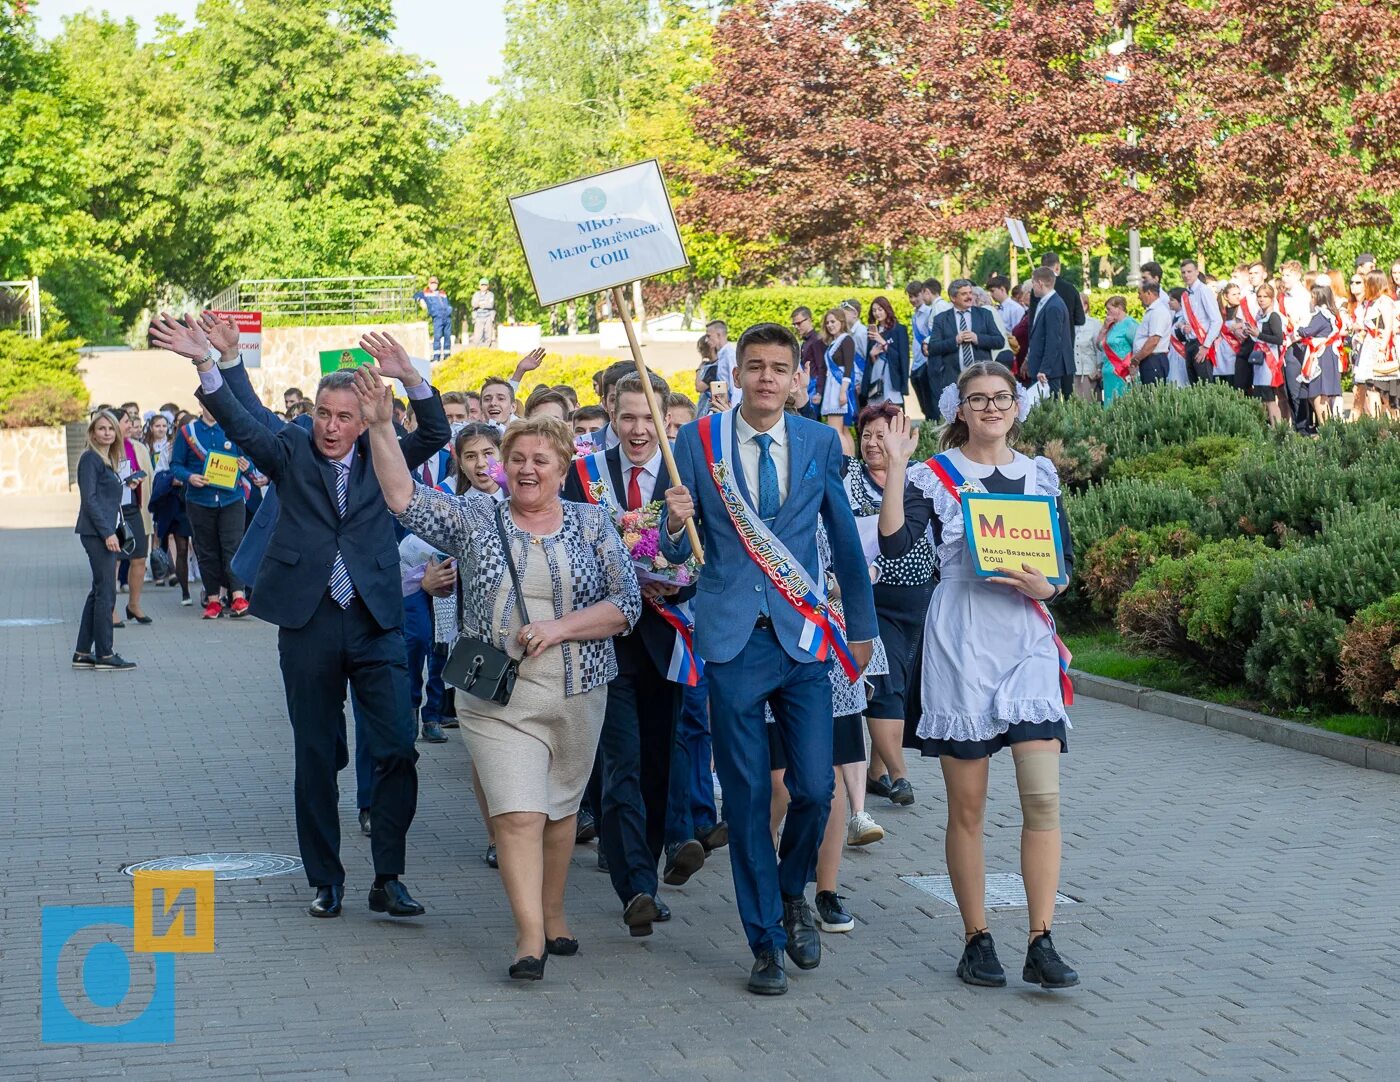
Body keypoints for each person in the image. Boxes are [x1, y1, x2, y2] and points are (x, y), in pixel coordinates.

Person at [154, 315, 444, 923]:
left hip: (375, 620)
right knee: (318, 753)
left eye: (344, 418)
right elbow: (241, 419)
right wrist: (207, 363)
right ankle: (325, 879)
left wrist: (410, 376)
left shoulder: (386, 452)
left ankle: (389, 877)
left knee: (396, 749)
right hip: (308, 621)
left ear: (364, 420)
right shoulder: (289, 450)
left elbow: (437, 429)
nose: (331, 428)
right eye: (323, 414)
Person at [370, 395, 640, 979]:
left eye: (540, 459)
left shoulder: (593, 523)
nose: (525, 468)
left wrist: (559, 628)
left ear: (563, 468)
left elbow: (628, 603)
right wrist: (380, 425)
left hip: (578, 689)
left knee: (562, 809)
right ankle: (528, 937)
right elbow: (402, 498)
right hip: (495, 694)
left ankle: (554, 908)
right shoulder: (474, 519)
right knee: (519, 814)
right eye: (516, 458)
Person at [660, 322, 877, 996]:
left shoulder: (819, 441)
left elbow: (842, 534)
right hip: (729, 640)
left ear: (796, 379)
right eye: (754, 366)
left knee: (814, 788)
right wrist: (672, 522)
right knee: (751, 796)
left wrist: (862, 626)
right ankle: (764, 942)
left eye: (778, 368)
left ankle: (792, 893)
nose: (765, 378)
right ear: (737, 373)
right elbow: (674, 554)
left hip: (802, 638)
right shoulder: (698, 442)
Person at [878, 363, 1079, 992]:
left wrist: (1052, 586)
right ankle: (976, 936)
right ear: (959, 409)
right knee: (968, 805)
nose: (990, 408)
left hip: (1026, 637)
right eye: (977, 399)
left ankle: (1041, 938)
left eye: (1001, 398)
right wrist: (890, 473)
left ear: (1016, 406)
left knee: (1042, 796)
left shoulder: (1040, 473)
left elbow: (1063, 562)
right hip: (962, 636)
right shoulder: (932, 476)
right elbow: (894, 547)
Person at [563, 372, 701, 935]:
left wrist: (676, 576)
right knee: (620, 760)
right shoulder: (583, 475)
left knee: (657, 761)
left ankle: (647, 859)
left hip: (667, 637)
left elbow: (704, 554)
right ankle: (636, 887)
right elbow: (566, 549)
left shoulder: (683, 474)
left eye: (650, 418)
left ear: (667, 418)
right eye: (628, 418)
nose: (639, 429)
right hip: (607, 640)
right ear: (610, 416)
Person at [846, 404, 935, 815]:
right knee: (884, 681)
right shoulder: (848, 481)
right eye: (867, 435)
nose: (873, 443)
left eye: (882, 434)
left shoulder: (922, 483)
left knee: (900, 678)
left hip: (919, 600)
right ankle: (900, 775)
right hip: (870, 599)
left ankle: (878, 768)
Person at [170, 399, 250, 619]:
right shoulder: (188, 432)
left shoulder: (232, 429)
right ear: (200, 405)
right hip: (200, 500)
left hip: (231, 498)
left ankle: (238, 596)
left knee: (232, 546)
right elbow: (175, 466)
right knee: (206, 550)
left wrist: (247, 466)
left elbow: (249, 458)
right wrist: (189, 477)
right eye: (207, 403)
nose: (212, 407)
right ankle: (213, 599)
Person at [73, 411, 137, 671]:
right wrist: (107, 533)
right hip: (97, 533)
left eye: (111, 429)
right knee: (106, 592)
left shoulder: (106, 460)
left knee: (98, 591)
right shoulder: (90, 459)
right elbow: (89, 500)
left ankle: (82, 652)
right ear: (92, 433)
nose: (107, 433)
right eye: (101, 429)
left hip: (102, 532)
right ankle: (105, 654)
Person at [928, 280, 1002, 401]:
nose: (969, 297)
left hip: (981, 376)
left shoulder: (985, 314)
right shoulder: (941, 319)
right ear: (953, 297)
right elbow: (933, 347)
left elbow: (999, 341)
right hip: (953, 378)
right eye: (964, 294)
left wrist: (977, 338)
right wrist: (955, 340)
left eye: (970, 293)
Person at [115, 411, 155, 625]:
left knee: (139, 556)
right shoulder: (103, 448)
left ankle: (134, 605)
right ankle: (110, 609)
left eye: (131, 422)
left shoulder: (138, 447)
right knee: (113, 560)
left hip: (134, 507)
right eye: (125, 422)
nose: (130, 425)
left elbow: (149, 475)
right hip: (112, 510)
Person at [1295, 282, 1344, 427]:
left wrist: (1297, 326)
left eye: (1313, 296)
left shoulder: (1322, 315)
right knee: (1317, 396)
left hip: (1321, 355)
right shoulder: (1330, 313)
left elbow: (1308, 331)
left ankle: (1327, 430)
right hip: (1325, 354)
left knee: (1319, 395)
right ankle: (1328, 428)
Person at [1024, 268, 1074, 399]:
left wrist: (1045, 369)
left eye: (1033, 283)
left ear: (1040, 283)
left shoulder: (1054, 306)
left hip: (1048, 371)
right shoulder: (1047, 302)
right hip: (1043, 367)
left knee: (1049, 409)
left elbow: (1054, 341)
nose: (1032, 288)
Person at [1245, 282, 1287, 426]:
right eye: (1259, 296)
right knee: (1260, 398)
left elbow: (1279, 339)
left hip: (1269, 362)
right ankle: (1264, 427)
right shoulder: (1259, 316)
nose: (1261, 299)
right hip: (1260, 361)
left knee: (1269, 399)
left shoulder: (1273, 316)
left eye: (1265, 296)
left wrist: (1259, 334)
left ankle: (1278, 429)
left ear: (1272, 299)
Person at [1356, 270, 1396, 421]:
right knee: (1371, 387)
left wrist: (1382, 349)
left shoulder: (1384, 301)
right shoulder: (1371, 302)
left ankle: (1385, 424)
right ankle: (1377, 423)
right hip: (1369, 346)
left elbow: (1388, 327)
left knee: (1381, 389)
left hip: (1379, 347)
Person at [816, 308, 856, 456]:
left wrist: (842, 392)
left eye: (833, 321)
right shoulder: (834, 343)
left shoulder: (846, 339)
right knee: (843, 430)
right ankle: (852, 464)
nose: (830, 325)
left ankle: (847, 466)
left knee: (836, 430)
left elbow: (848, 368)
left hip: (839, 388)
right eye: (827, 323)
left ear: (841, 321)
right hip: (833, 388)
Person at [1179, 260, 1222, 384]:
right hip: (1190, 343)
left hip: (1201, 342)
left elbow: (1217, 320)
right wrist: (1182, 327)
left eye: (1189, 271)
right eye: (1183, 272)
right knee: (1194, 385)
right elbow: (1183, 319)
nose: (1186, 275)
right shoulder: (1184, 295)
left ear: (1197, 272)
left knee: (1205, 385)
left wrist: (1206, 346)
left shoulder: (1204, 290)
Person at [861, 296, 909, 409]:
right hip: (876, 376)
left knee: (893, 411)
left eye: (880, 309)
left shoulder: (899, 329)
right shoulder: (873, 331)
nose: (877, 313)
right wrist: (872, 355)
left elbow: (902, 357)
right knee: (875, 411)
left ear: (887, 309)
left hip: (892, 377)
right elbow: (870, 361)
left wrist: (883, 343)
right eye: (874, 310)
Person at [1027, 252, 1086, 331]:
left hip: (1044, 337)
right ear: (1057, 267)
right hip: (1066, 338)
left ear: (1042, 267)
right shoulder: (1071, 289)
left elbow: (1033, 320)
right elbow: (1080, 320)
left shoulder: (1037, 289)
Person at [1097, 296, 1138, 405]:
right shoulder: (1110, 326)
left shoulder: (1130, 324)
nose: (1107, 313)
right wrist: (1104, 328)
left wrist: (1133, 368)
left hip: (1122, 373)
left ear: (1119, 308)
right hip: (1108, 374)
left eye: (1109, 309)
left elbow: (1137, 347)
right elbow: (1099, 345)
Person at [1132, 283, 1172, 385]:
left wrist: (1137, 358)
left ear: (1149, 293)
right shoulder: (1153, 311)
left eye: (1140, 293)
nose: (1138, 297)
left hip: (1154, 359)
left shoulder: (1158, 311)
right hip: (1149, 359)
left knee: (1152, 395)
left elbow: (1154, 340)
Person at [414, 275, 454, 362]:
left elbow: (448, 303)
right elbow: (416, 295)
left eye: (435, 283)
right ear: (429, 284)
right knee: (437, 336)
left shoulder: (442, 293)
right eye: (432, 283)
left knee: (447, 336)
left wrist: (450, 309)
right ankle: (437, 356)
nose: (433, 285)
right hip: (437, 317)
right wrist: (421, 301)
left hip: (447, 316)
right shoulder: (426, 292)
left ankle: (447, 354)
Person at [1073, 292, 1103, 402]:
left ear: (1085, 306)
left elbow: (1099, 349)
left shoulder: (1094, 324)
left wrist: (1098, 369)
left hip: (1089, 374)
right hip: (1072, 374)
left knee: (1088, 406)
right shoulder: (1068, 324)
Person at [708, 320, 739, 405]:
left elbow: (736, 387)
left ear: (719, 335)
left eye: (709, 336)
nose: (707, 340)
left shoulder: (730, 355)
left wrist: (732, 411)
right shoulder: (721, 354)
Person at [470, 277, 496, 347]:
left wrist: (480, 304)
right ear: (479, 286)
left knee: (488, 336)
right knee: (477, 337)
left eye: (485, 285)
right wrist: (481, 304)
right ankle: (478, 351)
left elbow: (490, 305)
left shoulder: (491, 294)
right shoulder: (476, 294)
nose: (483, 287)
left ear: (487, 286)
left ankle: (487, 350)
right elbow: (473, 304)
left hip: (488, 318)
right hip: (478, 318)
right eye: (482, 285)